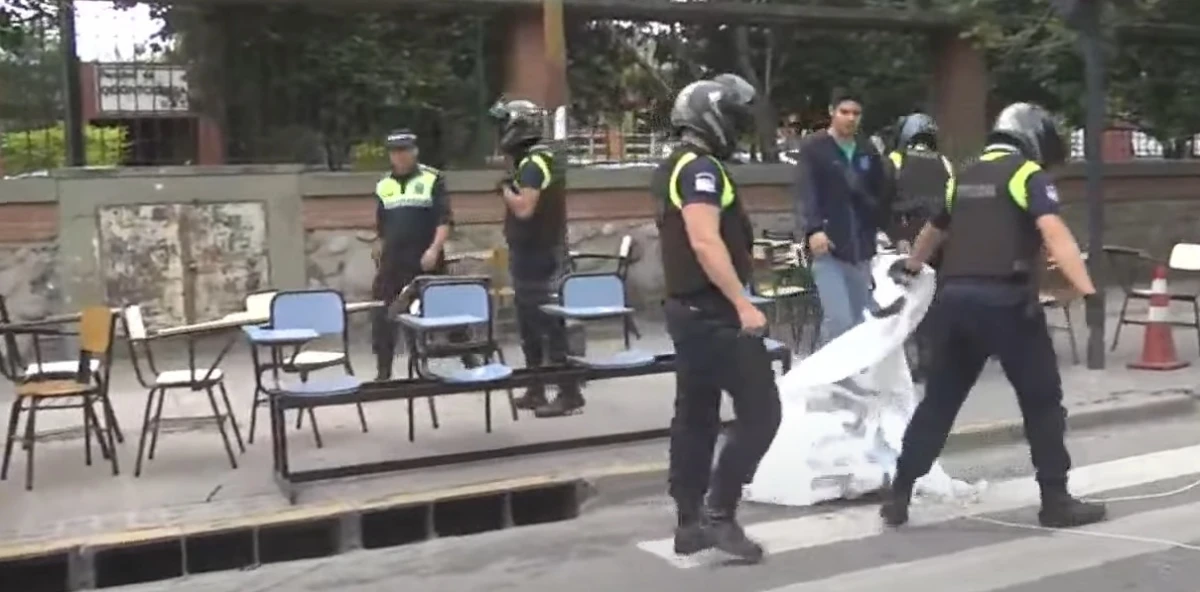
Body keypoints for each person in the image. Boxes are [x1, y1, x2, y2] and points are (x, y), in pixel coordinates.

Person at [880, 102, 1106, 529]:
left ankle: (900, 494)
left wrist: (911, 268)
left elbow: (933, 230)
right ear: (1032, 137)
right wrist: (1088, 290)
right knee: (1042, 403)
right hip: (1007, 304)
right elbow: (1055, 234)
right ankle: (1055, 501)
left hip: (954, 302)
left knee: (940, 403)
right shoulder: (1026, 175)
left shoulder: (961, 177)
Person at [655, 73, 781, 564]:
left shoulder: (675, 164)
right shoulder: (700, 169)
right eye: (732, 119)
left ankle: (689, 522)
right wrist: (744, 303)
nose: (737, 129)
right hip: (712, 313)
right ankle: (718, 512)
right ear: (711, 118)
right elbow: (704, 240)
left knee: (696, 416)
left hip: (685, 310)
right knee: (762, 413)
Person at [488, 98, 584, 418]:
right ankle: (536, 387)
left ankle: (568, 392)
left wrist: (504, 189)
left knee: (546, 322)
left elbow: (525, 207)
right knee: (529, 323)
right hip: (533, 250)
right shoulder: (540, 159)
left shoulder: (533, 163)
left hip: (538, 253)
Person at [369, 129, 474, 380]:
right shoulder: (384, 184)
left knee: (444, 307)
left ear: (415, 152)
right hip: (393, 260)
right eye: (396, 152)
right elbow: (383, 222)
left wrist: (435, 249)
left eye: (405, 150)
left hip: (425, 257)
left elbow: (443, 218)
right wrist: (379, 243)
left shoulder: (432, 178)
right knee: (382, 312)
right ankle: (383, 371)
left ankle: (469, 355)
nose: (401, 156)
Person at [793, 89, 894, 344]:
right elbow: (807, 191)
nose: (850, 118)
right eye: (844, 112)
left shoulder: (866, 149)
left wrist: (884, 229)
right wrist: (813, 228)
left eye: (856, 113)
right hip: (828, 245)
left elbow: (880, 193)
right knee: (838, 319)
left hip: (861, 246)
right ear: (832, 112)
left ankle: (852, 377)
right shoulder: (814, 148)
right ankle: (829, 377)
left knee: (859, 320)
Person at [885, 112, 955, 382]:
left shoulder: (896, 161)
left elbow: (885, 203)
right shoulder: (944, 162)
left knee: (912, 301)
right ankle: (937, 360)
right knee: (935, 300)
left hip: (910, 241)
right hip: (942, 240)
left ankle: (920, 362)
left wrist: (896, 236)